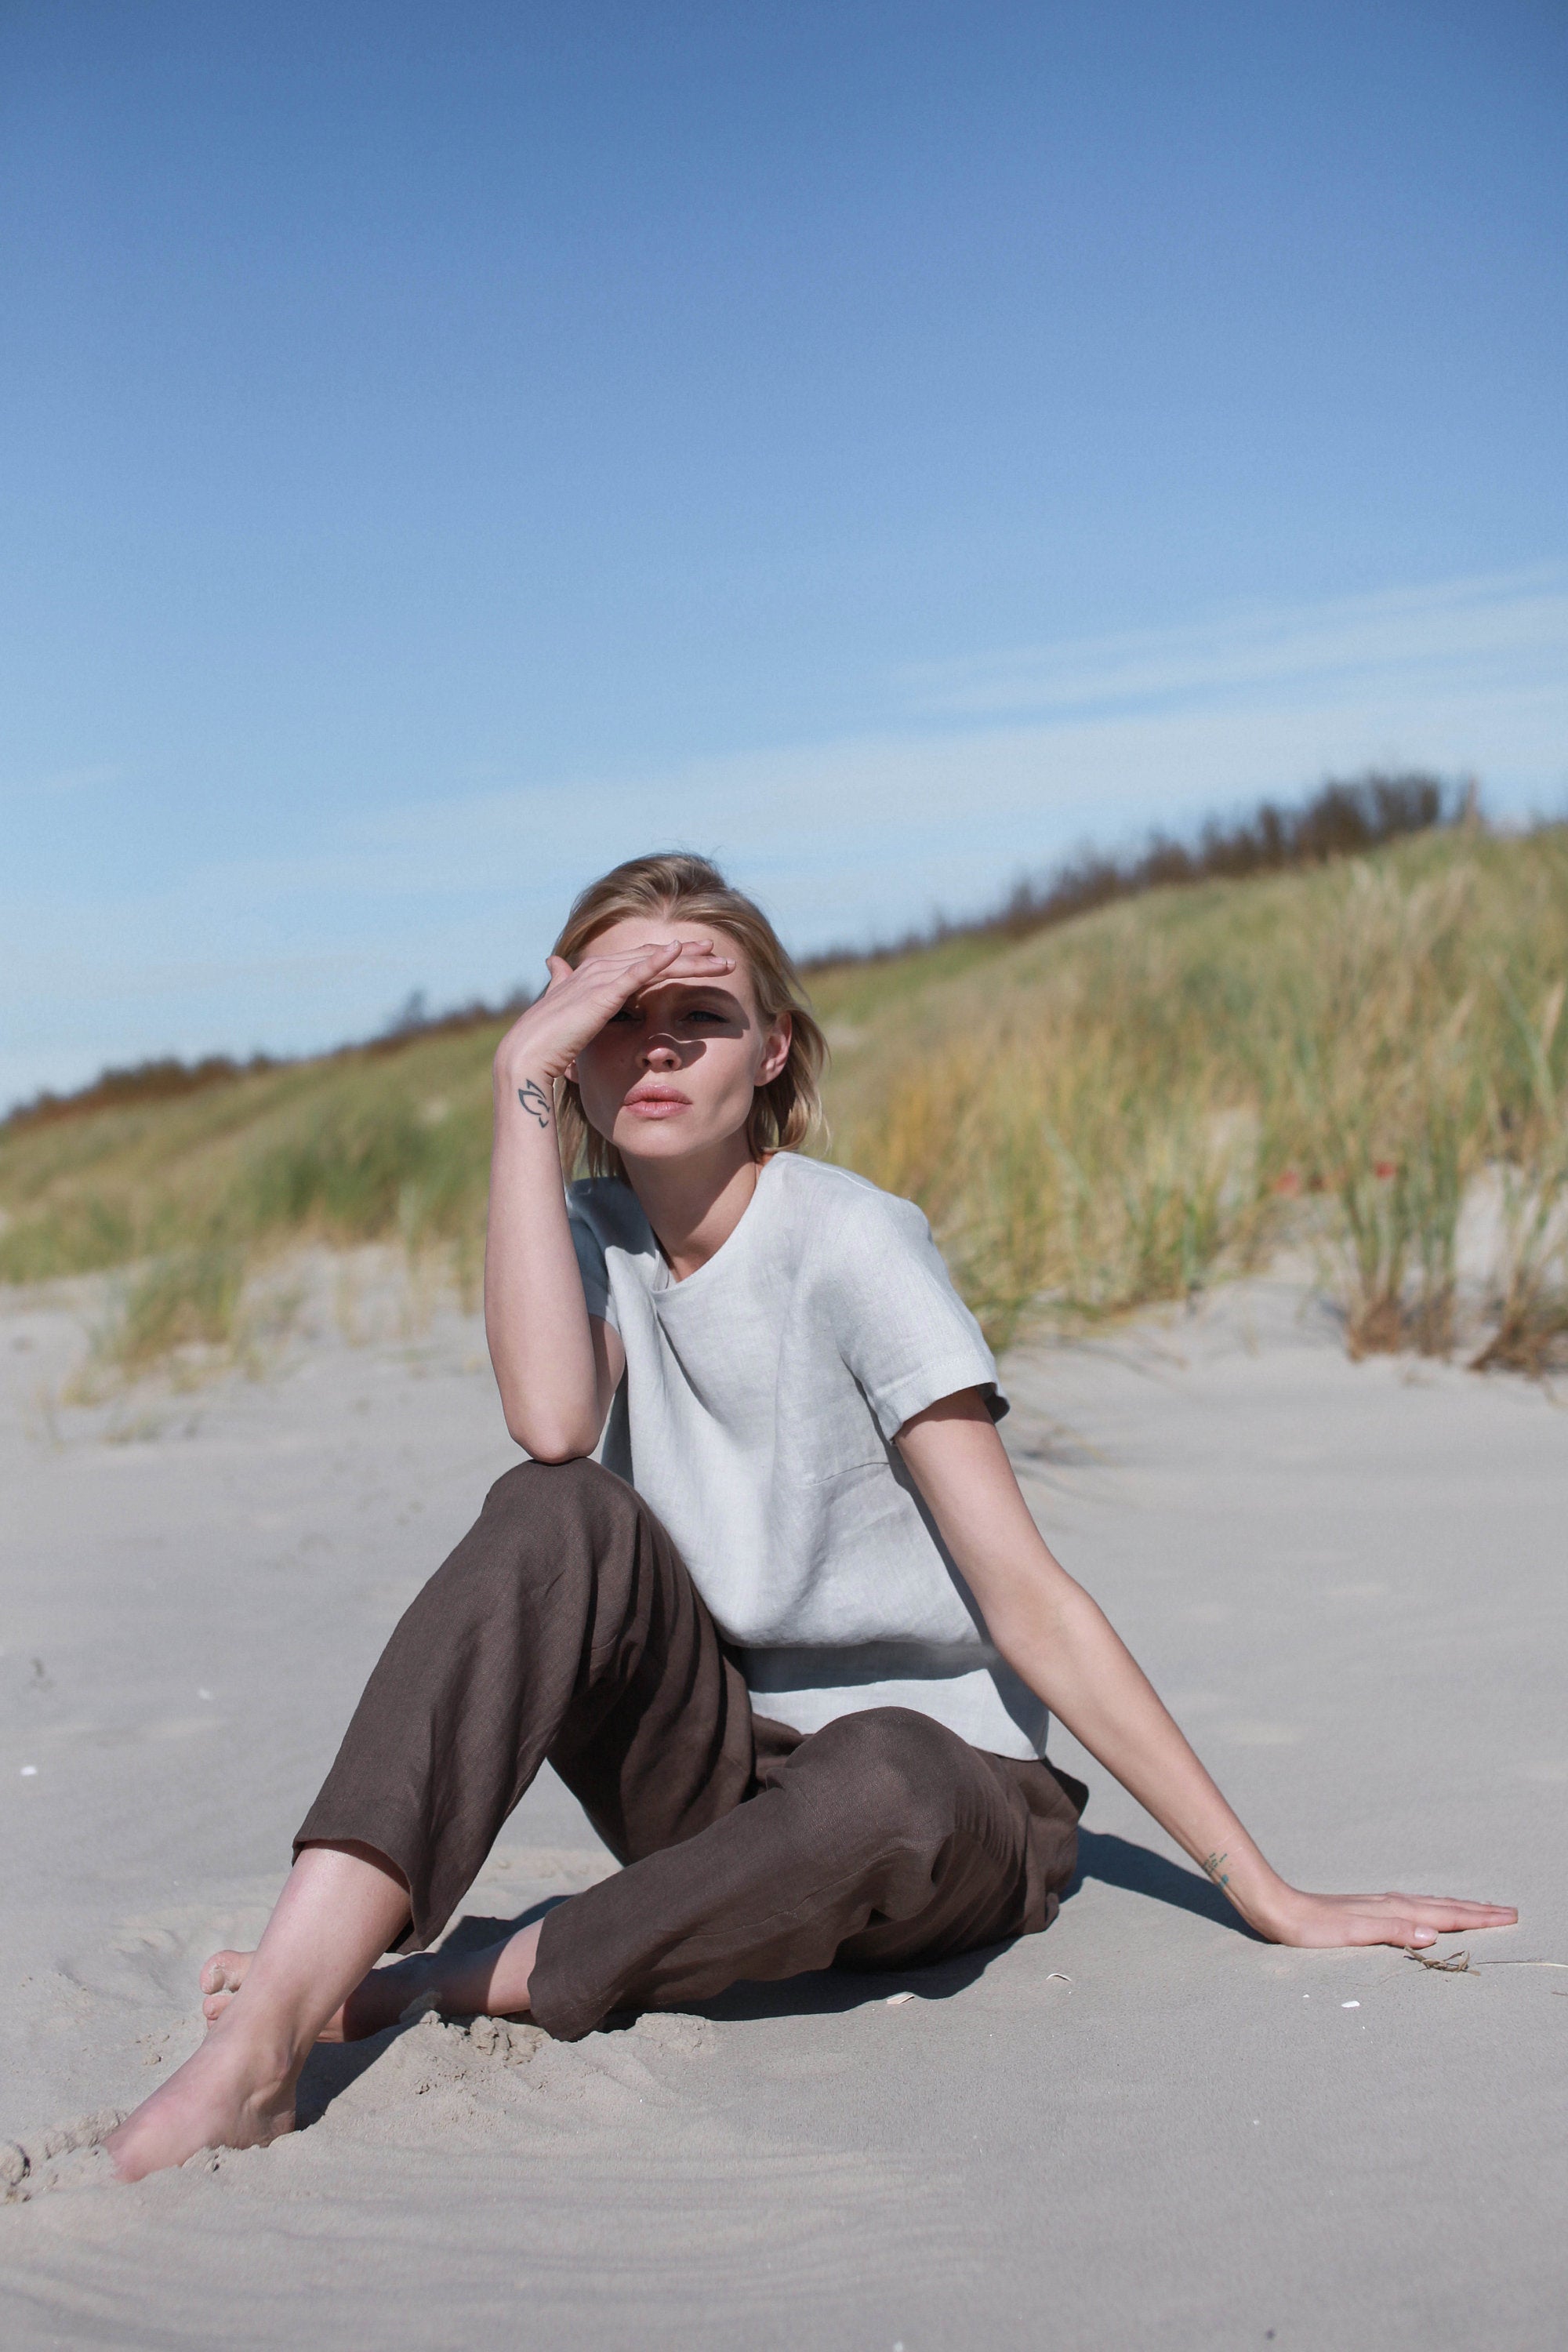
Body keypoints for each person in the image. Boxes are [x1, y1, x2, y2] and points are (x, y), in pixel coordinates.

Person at [107, 853, 1515, 2182]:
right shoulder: (586, 1237)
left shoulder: (851, 1242)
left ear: (772, 1049)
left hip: (946, 1801)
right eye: (618, 1018)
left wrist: (1263, 1889)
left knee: (883, 1771)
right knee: (552, 1513)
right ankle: (271, 2032)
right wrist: (518, 1079)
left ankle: (447, 1976)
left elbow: (1028, 1597)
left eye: (701, 1017)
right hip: (724, 1777)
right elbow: (550, 1427)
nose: (657, 1050)